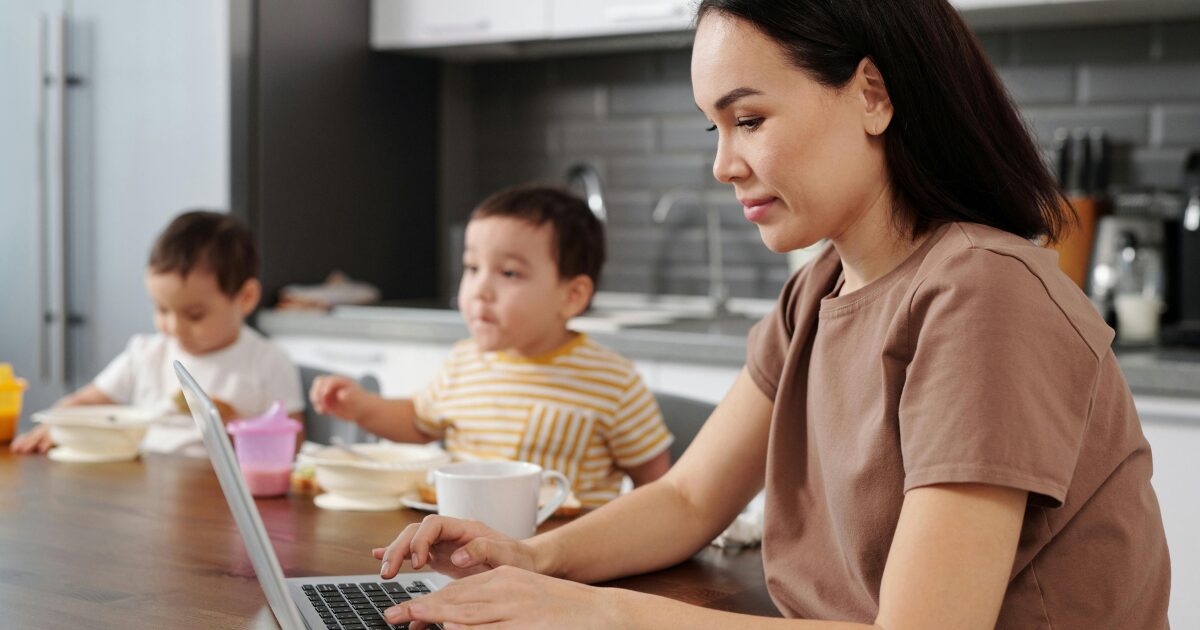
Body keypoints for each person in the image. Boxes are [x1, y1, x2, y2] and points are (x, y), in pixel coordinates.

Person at [368, 1, 1172, 628]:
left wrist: (597, 614)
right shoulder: (819, 288)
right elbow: (689, 501)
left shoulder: (985, 294)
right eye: (714, 127)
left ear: (872, 94)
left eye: (748, 119)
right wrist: (531, 557)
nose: (723, 163)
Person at [309, 185, 673, 507]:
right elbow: (419, 424)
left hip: (563, 558)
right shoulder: (463, 362)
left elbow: (656, 484)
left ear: (572, 296)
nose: (480, 290)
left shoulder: (613, 381)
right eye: (472, 267)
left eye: (509, 273)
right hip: (460, 546)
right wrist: (363, 407)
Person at [11, 210, 305, 454]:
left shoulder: (268, 361)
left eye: (194, 314)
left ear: (246, 298)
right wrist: (58, 422)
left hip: (219, 499)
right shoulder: (146, 354)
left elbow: (292, 447)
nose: (173, 328)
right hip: (143, 484)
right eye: (162, 310)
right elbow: (86, 401)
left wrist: (233, 426)